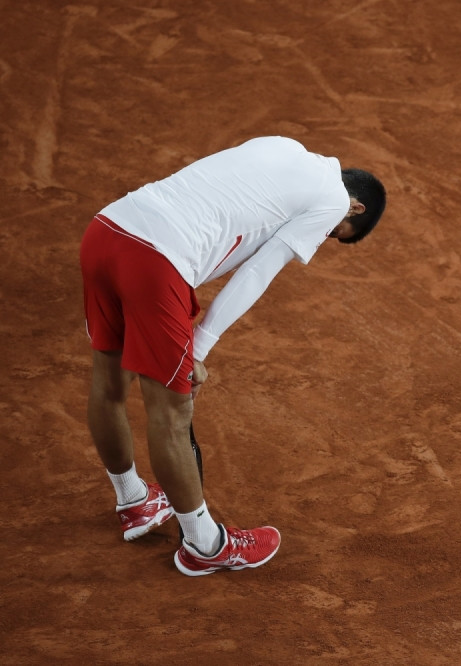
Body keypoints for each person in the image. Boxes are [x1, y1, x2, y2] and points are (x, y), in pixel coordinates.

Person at [79, 136, 386, 576]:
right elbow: (257, 271)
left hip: (108, 229)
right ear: (355, 207)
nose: (325, 237)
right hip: (155, 261)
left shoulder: (284, 146)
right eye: (335, 233)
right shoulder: (334, 200)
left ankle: (133, 499)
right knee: (172, 412)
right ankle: (205, 546)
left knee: (109, 384)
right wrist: (199, 346)